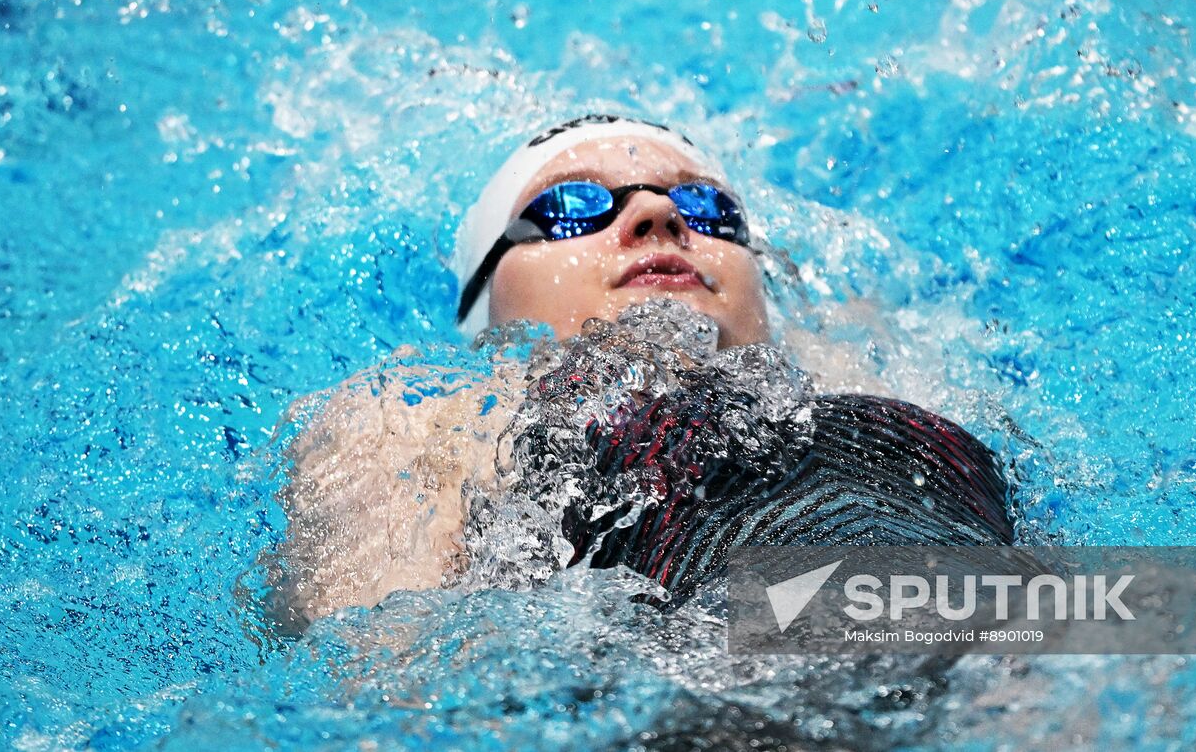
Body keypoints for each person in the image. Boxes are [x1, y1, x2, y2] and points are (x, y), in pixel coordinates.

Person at [269, 114, 1012, 631]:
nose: (658, 211)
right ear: (485, 301)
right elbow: (378, 674)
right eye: (570, 207)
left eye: (710, 207)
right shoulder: (426, 423)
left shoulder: (860, 372)